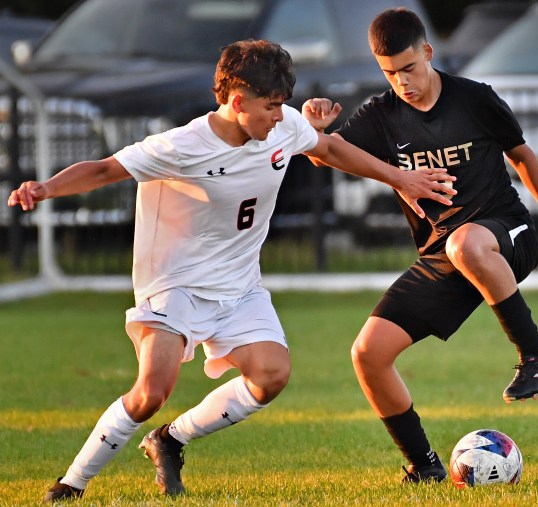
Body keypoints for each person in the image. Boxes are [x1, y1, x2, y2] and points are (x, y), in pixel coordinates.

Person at [8, 39, 455, 502]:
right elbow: (103, 170)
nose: (281, 115)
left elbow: (332, 150)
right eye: (271, 106)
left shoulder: (284, 127)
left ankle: (170, 440)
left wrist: (401, 179)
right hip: (175, 286)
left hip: (239, 286)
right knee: (151, 391)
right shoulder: (180, 145)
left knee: (271, 374)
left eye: (283, 105)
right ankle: (70, 485)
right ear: (237, 102)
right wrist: (44, 188)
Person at [302, 8, 538, 484]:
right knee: (368, 353)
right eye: (389, 73)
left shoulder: (475, 99)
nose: (402, 82)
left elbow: (523, 155)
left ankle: (536, 356)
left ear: (427, 52)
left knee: (466, 243)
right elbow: (324, 156)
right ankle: (423, 467)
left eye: (409, 68)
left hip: (505, 235)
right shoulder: (382, 115)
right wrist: (315, 130)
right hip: (442, 255)